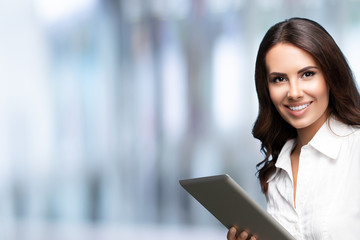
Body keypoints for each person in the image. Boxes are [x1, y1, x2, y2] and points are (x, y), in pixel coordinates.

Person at [227, 17, 360, 240]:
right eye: (279, 79)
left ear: (330, 75)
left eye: (307, 74)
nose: (294, 92)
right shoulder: (276, 174)